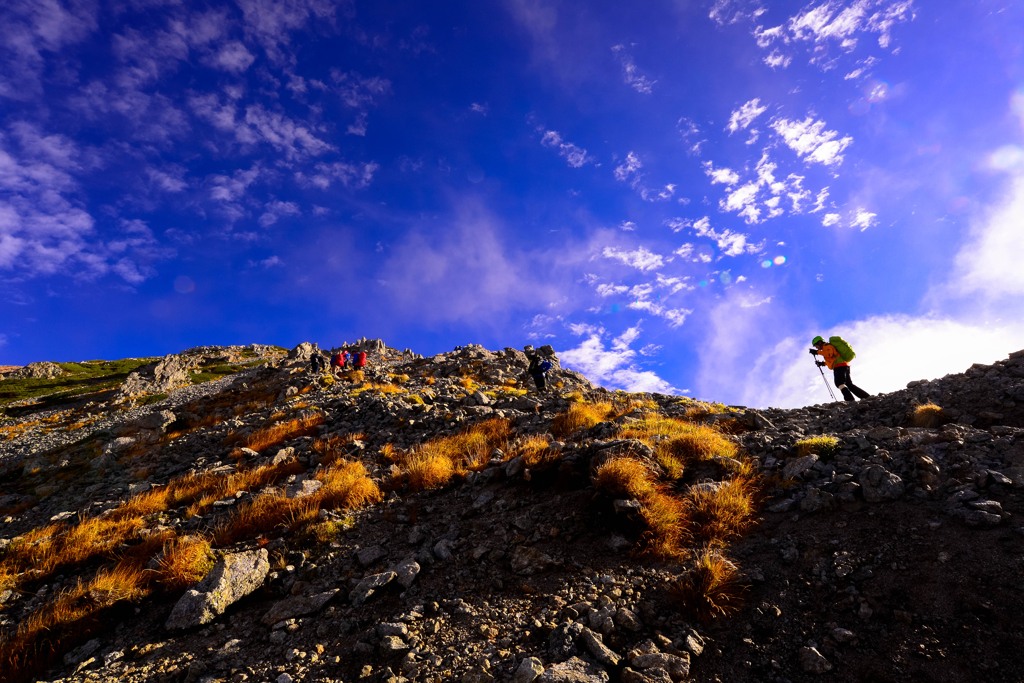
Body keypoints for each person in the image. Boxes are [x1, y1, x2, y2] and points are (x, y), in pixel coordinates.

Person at [810, 335, 870, 402]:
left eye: (816, 345)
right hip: (844, 364)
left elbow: (829, 354)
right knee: (849, 384)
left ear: (820, 342)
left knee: (839, 383)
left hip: (839, 366)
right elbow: (833, 359)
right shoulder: (826, 347)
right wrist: (823, 363)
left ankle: (849, 399)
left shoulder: (826, 346)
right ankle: (866, 397)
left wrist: (816, 352)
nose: (816, 347)